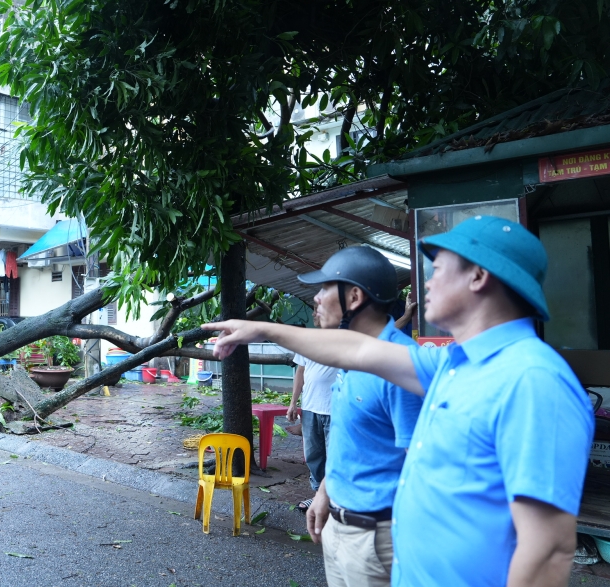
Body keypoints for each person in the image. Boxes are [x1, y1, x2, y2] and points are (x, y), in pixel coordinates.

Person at [206, 216, 593, 586]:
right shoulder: (451, 364)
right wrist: (259, 329)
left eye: (439, 269)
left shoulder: (532, 381)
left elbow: (547, 550)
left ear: (479, 275)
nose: (425, 282)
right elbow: (358, 350)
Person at [292, 247, 423, 587]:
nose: (316, 299)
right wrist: (324, 492)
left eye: (324, 289)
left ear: (354, 296)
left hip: (378, 539)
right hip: (339, 527)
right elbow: (351, 440)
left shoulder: (400, 366)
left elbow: (422, 463)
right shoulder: (351, 360)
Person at [287, 329, 337, 507]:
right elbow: (300, 372)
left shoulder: (345, 337)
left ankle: (334, 501)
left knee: (335, 457)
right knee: (313, 455)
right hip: (310, 407)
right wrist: (293, 403)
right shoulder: (306, 341)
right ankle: (318, 497)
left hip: (335, 409)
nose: (317, 312)